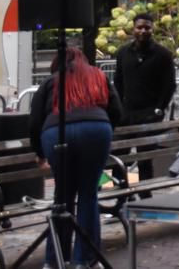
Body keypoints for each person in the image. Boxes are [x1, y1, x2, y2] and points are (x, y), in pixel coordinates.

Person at [28, 46, 122, 269]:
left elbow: (34, 121)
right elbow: (117, 110)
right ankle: (86, 259)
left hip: (57, 133)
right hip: (96, 129)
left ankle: (54, 259)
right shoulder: (99, 76)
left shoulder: (52, 80)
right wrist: (104, 127)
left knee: (62, 195)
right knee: (88, 194)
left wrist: (40, 153)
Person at [114, 12, 176, 188]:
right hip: (126, 114)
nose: (143, 31)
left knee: (145, 160)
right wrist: (118, 106)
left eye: (147, 27)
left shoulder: (163, 55)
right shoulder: (123, 53)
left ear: (153, 29)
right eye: (139, 27)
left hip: (149, 115)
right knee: (119, 158)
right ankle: (120, 194)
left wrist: (159, 109)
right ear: (133, 29)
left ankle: (145, 196)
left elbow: (169, 85)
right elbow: (118, 81)